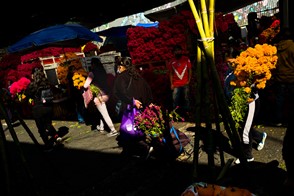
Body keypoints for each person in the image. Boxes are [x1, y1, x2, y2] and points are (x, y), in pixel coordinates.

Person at [224, 60, 267, 165]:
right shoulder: (229, 70)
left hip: (250, 104)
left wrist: (250, 95)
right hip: (238, 104)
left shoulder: (247, 69)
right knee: (242, 127)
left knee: (244, 131)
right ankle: (260, 136)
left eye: (232, 58)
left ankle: (248, 157)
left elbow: (254, 86)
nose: (229, 60)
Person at [112, 56, 153, 158]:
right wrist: (148, 102)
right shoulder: (136, 75)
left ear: (121, 66)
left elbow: (118, 93)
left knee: (128, 131)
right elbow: (147, 89)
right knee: (139, 129)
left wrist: (132, 101)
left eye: (119, 66)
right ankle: (139, 150)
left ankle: (144, 148)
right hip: (141, 108)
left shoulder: (121, 77)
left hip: (129, 109)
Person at [271, 28, 294, 193]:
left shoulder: (277, 47)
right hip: (292, 77)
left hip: (280, 78)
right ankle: (288, 119)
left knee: (279, 101)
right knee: (291, 102)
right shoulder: (293, 46)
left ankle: (278, 119)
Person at [25, 67, 62, 152]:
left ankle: (48, 145)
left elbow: (27, 94)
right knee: (48, 124)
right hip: (48, 106)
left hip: (38, 108)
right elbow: (54, 90)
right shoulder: (46, 82)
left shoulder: (32, 85)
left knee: (41, 128)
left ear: (34, 75)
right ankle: (56, 137)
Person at [83, 57, 118, 137]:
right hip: (107, 94)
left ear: (93, 64)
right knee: (102, 112)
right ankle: (102, 127)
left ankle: (113, 130)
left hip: (99, 96)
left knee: (105, 114)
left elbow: (85, 85)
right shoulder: (103, 71)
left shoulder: (92, 73)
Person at [166, 45, 192, 118]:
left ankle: (187, 113)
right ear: (174, 52)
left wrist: (189, 81)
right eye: (176, 51)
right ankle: (176, 114)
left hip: (185, 83)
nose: (178, 52)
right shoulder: (171, 62)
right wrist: (171, 84)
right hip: (176, 84)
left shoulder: (186, 59)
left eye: (179, 50)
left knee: (186, 99)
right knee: (175, 99)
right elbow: (171, 73)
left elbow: (190, 70)